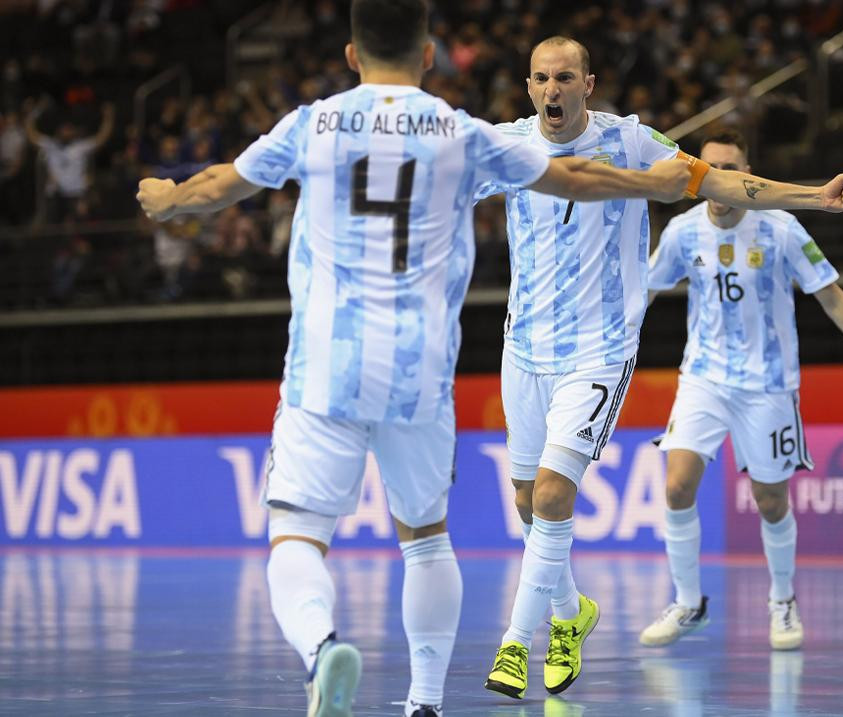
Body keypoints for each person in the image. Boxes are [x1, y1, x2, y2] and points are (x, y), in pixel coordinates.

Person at [135, 2, 691, 716]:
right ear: (430, 56)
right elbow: (575, 178)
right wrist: (652, 184)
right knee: (426, 540)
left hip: (325, 367)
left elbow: (219, 188)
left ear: (349, 55)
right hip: (420, 370)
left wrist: (170, 196)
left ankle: (320, 643)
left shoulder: (314, 122)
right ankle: (424, 701)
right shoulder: (459, 133)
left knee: (296, 532)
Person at [477, 37, 843, 700]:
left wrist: (813, 196)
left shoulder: (632, 143)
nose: (551, 90)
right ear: (528, 84)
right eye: (540, 78)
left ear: (588, 83)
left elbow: (718, 181)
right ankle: (571, 613)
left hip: (597, 350)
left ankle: (517, 641)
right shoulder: (507, 143)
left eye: (564, 77)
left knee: (549, 495)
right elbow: (433, 175)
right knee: (524, 498)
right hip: (523, 348)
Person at [638, 128, 843, 652]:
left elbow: (830, 297)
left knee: (769, 500)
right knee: (676, 486)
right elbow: (644, 295)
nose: (719, 181)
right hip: (703, 377)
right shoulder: (682, 232)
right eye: (710, 170)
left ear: (746, 176)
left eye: (731, 170)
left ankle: (783, 599)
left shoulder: (782, 229)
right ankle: (688, 601)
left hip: (767, 383)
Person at [24, 99, 114, 223]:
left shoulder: (81, 147)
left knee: (80, 223)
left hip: (76, 193)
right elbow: (31, 135)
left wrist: (108, 118)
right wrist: (31, 115)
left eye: (69, 129)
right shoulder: (50, 145)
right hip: (55, 194)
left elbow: (101, 138)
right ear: (58, 131)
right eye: (64, 129)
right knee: (53, 225)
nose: (66, 131)